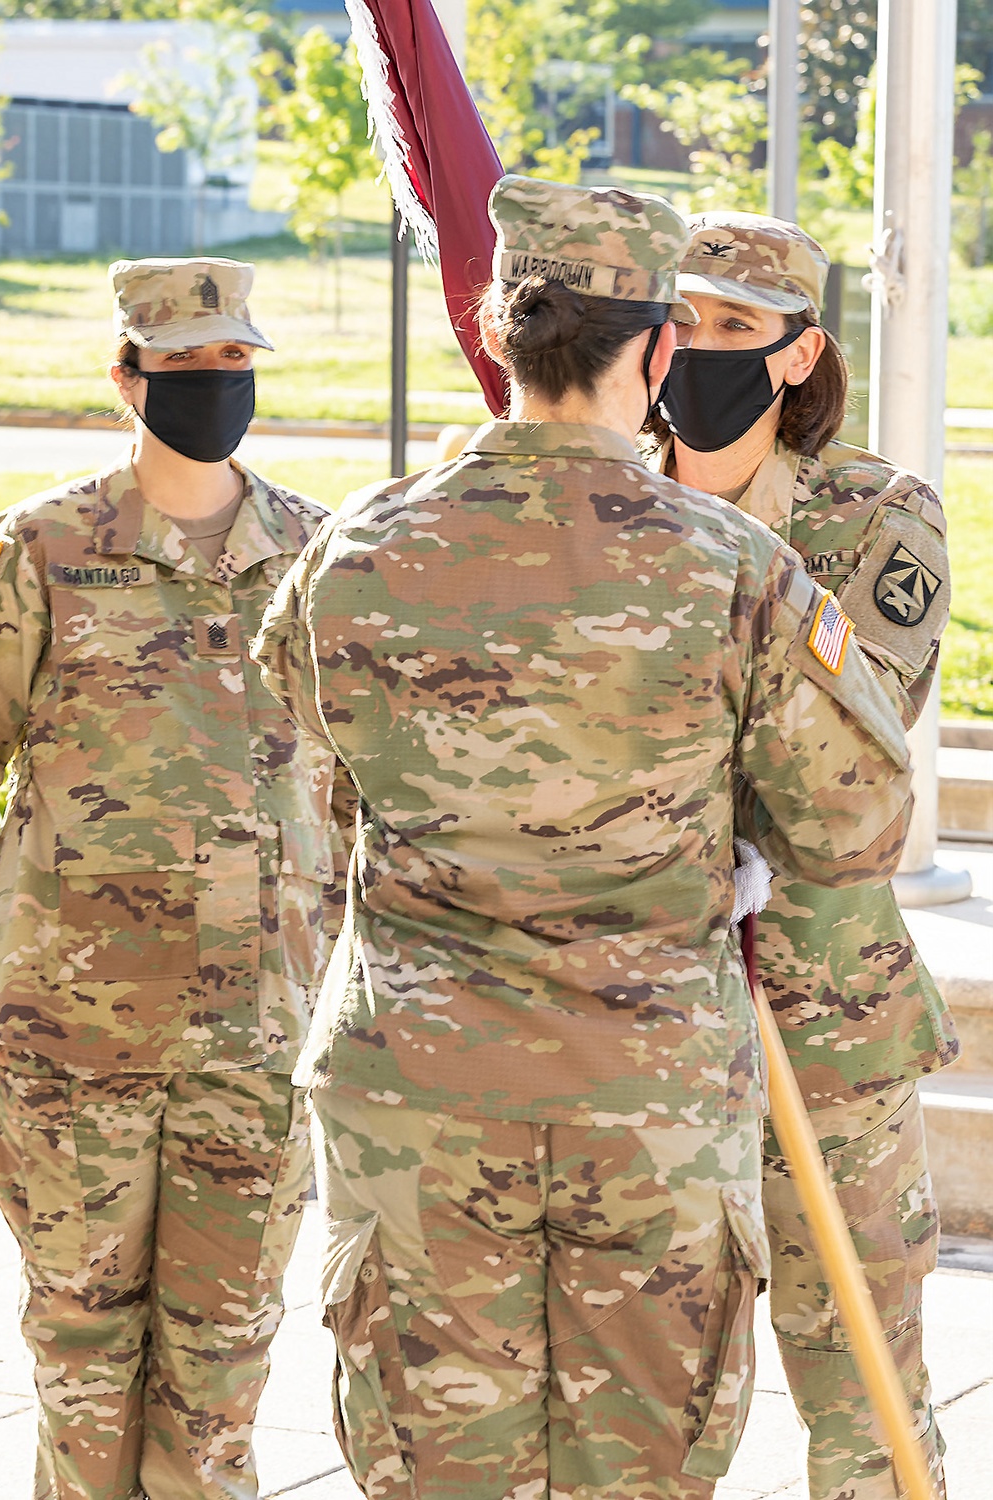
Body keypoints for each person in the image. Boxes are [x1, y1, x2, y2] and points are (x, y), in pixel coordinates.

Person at [253, 176, 916, 1500]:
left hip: (417, 1101)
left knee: (433, 1466)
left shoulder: (359, 549)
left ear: (501, 334)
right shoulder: (731, 565)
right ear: (660, 351)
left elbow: (302, 767)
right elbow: (853, 826)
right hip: (644, 1106)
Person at [0, 256, 352, 1500]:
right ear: (124, 378)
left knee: (220, 1376)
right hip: (71, 1038)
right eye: (186, 365)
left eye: (233, 363)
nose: (214, 385)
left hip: (259, 1037)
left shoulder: (321, 555)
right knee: (83, 1364)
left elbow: (364, 792)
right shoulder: (43, 550)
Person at [645, 211, 958, 1500]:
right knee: (651, 1395)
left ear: (797, 353)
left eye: (735, 328)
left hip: (824, 1017)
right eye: (682, 322)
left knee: (862, 1391)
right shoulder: (590, 506)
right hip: (642, 1024)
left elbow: (854, 754)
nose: (698, 350)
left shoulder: (873, 515)